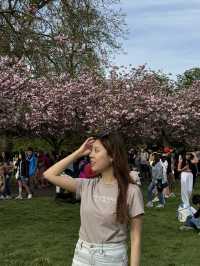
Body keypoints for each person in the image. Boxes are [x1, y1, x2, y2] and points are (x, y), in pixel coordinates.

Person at [44, 132, 144, 266]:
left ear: (112, 155)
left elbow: (135, 238)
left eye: (96, 151)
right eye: (91, 151)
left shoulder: (131, 191)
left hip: (111, 258)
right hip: (82, 255)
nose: (90, 155)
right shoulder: (87, 185)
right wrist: (78, 153)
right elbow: (49, 174)